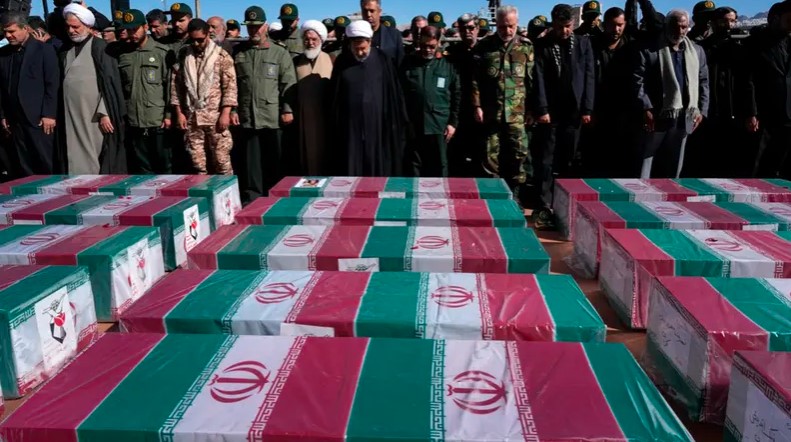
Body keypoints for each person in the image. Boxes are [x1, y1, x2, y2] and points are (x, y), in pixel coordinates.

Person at [532, 4, 595, 228]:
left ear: (573, 24)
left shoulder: (583, 43)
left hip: (574, 111)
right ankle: (544, 204)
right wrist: (542, 109)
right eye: (560, 27)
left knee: (569, 158)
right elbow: (538, 77)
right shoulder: (543, 44)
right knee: (546, 159)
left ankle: (566, 203)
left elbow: (589, 76)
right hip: (551, 111)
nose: (564, 31)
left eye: (568, 26)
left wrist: (587, 109)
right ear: (553, 23)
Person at [634, 9, 709, 179]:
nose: (680, 31)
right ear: (666, 26)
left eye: (684, 27)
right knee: (646, 159)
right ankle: (641, 190)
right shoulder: (650, 50)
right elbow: (638, 81)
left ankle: (673, 191)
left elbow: (703, 82)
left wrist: (702, 110)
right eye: (676, 27)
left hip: (686, 115)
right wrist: (646, 107)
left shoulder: (697, 51)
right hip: (657, 114)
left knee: (676, 160)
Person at [472, 5, 535, 206]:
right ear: (496, 24)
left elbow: (532, 80)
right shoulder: (484, 47)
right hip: (492, 112)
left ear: (517, 24)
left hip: (517, 112)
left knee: (519, 153)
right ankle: (495, 196)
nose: (507, 30)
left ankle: (516, 194)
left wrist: (532, 109)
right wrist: (477, 106)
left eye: (511, 26)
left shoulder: (526, 46)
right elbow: (475, 80)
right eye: (502, 26)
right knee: (490, 155)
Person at [232, 6, 296, 202]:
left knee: (275, 160)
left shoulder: (279, 52)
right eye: (250, 27)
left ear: (265, 26)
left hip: (272, 116)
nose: (254, 30)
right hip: (248, 116)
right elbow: (232, 85)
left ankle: (276, 197)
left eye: (258, 26)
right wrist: (233, 109)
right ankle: (253, 198)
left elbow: (288, 83)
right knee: (251, 164)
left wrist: (287, 109)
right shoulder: (239, 53)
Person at [330, 19, 407, 176]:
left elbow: (392, 94)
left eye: (363, 48)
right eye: (356, 48)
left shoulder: (383, 60)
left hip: (377, 126)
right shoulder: (342, 62)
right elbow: (335, 97)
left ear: (370, 42)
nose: (359, 53)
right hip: (350, 128)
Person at [58, 3, 127, 174]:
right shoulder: (65, 49)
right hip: (71, 113)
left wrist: (105, 112)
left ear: (88, 26)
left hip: (94, 115)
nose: (71, 31)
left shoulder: (101, 47)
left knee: (95, 153)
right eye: (68, 27)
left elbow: (111, 83)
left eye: (75, 27)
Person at [687, 6, 747, 177]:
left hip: (733, 109)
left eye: (732, 21)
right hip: (708, 108)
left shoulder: (741, 46)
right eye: (724, 21)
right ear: (713, 23)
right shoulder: (701, 48)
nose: (728, 25)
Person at [172, 19, 237, 175]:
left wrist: (226, 113)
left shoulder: (221, 56)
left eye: (200, 40)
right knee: (197, 163)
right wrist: (179, 113)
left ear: (208, 34)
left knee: (221, 161)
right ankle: (202, 190)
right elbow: (176, 86)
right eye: (193, 40)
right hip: (192, 117)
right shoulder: (184, 56)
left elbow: (230, 87)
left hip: (215, 117)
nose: (196, 44)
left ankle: (227, 190)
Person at [0, 12, 59, 177]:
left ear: (25, 28)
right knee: (23, 164)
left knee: (45, 161)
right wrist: (3, 115)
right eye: (5, 32)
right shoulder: (4, 54)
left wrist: (49, 114)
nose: (8, 35)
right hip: (15, 120)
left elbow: (52, 83)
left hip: (39, 119)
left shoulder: (44, 50)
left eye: (12, 31)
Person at [117, 9, 175, 174]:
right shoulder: (124, 54)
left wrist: (168, 115)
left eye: (135, 29)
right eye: (129, 30)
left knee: (165, 167)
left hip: (157, 120)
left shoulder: (161, 52)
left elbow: (170, 86)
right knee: (143, 169)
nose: (132, 34)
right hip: (134, 121)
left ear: (145, 27)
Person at [401, 26, 460, 177]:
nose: (427, 49)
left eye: (432, 46)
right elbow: (400, 93)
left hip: (438, 124)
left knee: (439, 165)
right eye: (424, 45)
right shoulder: (408, 63)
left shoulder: (447, 65)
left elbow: (456, 95)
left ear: (438, 42)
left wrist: (452, 123)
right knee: (413, 165)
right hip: (414, 124)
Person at [745, 1, 791, 179]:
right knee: (757, 165)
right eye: (789, 20)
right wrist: (751, 112)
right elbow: (747, 81)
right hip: (763, 115)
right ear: (775, 19)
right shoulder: (754, 43)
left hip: (788, 115)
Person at [445, 13, 485, 176]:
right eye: (463, 29)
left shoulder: (485, 50)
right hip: (459, 108)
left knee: (480, 154)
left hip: (480, 109)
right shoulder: (452, 52)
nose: (467, 32)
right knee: (456, 153)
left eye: (471, 28)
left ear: (477, 29)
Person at [293, 20, 333, 175]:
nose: (310, 43)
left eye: (314, 39)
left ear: (321, 40)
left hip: (325, 117)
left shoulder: (331, 59)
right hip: (302, 118)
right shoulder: (296, 61)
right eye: (307, 39)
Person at [361, 0, 404, 67]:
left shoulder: (394, 35)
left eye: (372, 11)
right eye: (365, 11)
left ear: (379, 12)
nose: (368, 15)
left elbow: (400, 63)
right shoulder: (353, 35)